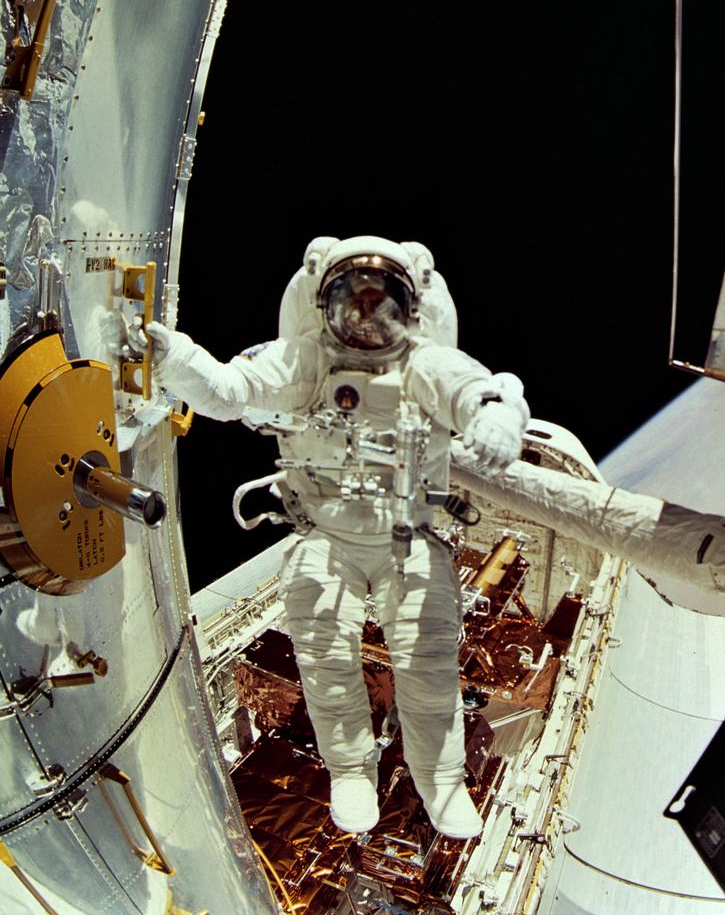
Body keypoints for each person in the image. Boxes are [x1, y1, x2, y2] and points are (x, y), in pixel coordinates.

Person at [146, 235, 528, 840]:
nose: (369, 318)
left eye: (384, 304)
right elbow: (224, 392)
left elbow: (485, 390)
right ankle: (352, 771)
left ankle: (442, 782)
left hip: (408, 533)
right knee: (325, 660)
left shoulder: (425, 364)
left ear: (409, 308)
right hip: (328, 536)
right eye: (355, 301)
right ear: (328, 307)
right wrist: (172, 357)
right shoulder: (306, 361)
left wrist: (499, 420)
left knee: (426, 664)